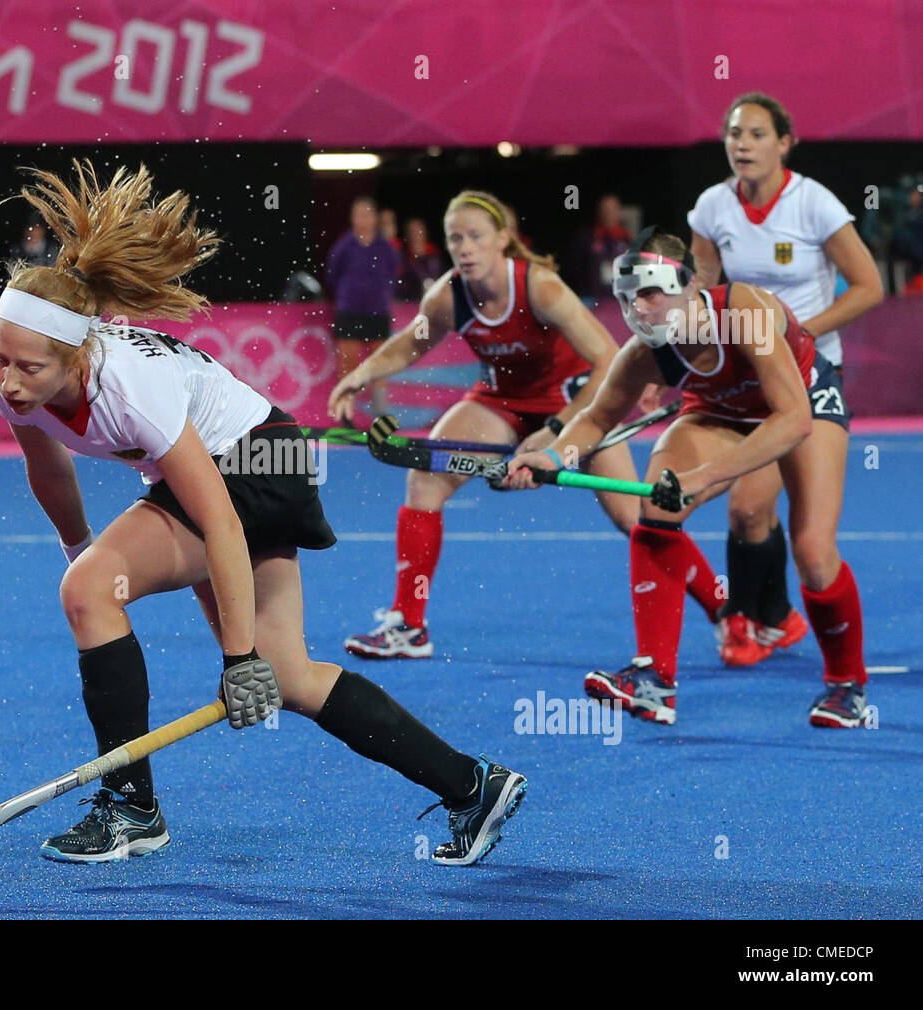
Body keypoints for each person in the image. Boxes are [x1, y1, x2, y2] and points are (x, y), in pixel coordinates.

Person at [0, 161, 527, 866]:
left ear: (78, 353)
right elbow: (47, 466)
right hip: (254, 464)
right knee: (290, 675)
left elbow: (221, 522)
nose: (9, 380)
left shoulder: (130, 385)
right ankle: (471, 784)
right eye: (1, 361)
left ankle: (130, 810)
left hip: (256, 465)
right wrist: (78, 544)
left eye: (29, 368)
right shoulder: (13, 376)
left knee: (91, 594)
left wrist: (236, 658)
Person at [327, 191, 722, 660]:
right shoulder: (449, 295)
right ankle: (409, 626)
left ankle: (725, 608)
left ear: (502, 239)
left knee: (635, 519)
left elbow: (606, 362)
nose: (465, 248)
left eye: (476, 236)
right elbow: (409, 346)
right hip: (500, 401)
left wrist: (555, 432)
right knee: (425, 481)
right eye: (456, 239)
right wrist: (358, 377)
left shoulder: (540, 286)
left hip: (576, 402)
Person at [503, 228, 868, 729]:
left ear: (689, 286)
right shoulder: (643, 354)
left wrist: (701, 476)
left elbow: (792, 420)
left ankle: (848, 685)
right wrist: (552, 456)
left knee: (812, 552)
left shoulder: (747, 312)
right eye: (628, 298)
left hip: (803, 402)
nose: (639, 309)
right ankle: (654, 680)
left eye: (651, 292)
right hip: (719, 412)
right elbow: (594, 419)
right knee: (656, 510)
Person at [686, 93, 882, 666]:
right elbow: (699, 285)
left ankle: (832, 664)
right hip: (745, 378)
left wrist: (794, 332)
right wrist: (677, 358)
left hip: (809, 372)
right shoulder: (712, 207)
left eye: (754, 134)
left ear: (784, 143)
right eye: (732, 133)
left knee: (813, 546)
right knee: (747, 509)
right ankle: (763, 619)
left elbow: (869, 286)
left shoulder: (814, 203)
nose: (741, 144)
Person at [324, 196, 401, 420]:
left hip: (378, 313)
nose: (363, 219)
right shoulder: (344, 245)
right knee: (348, 365)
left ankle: (380, 415)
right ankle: (345, 415)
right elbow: (331, 275)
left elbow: (395, 271)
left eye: (367, 214)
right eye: (358, 214)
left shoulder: (385, 246)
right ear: (352, 218)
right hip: (349, 312)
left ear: (375, 218)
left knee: (380, 365)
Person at [396, 217, 447, 299]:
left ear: (425, 232)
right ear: (406, 235)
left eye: (418, 231)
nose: (415, 235)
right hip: (409, 303)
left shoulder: (436, 256)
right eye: (412, 232)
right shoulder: (402, 258)